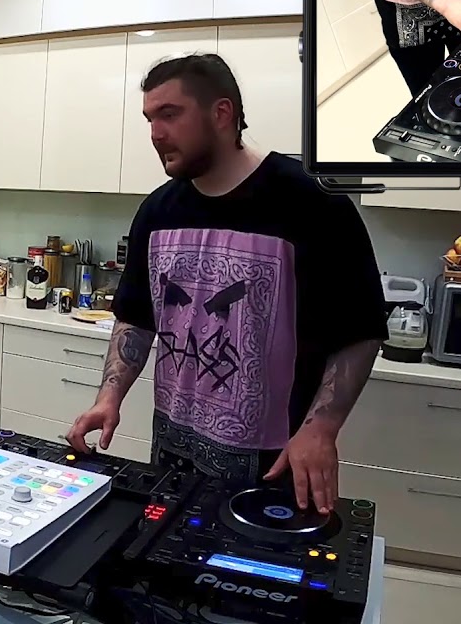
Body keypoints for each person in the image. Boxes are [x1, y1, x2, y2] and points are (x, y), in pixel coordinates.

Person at [64, 54, 387, 514]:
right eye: (150, 119)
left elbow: (360, 330)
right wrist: (109, 397)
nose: (155, 133)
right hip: (173, 451)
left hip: (277, 465)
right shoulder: (157, 212)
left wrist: (321, 427)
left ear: (221, 113)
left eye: (169, 114)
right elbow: (136, 317)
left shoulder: (312, 202)